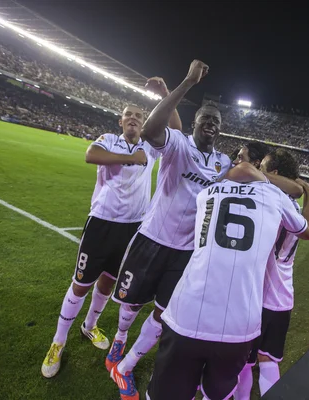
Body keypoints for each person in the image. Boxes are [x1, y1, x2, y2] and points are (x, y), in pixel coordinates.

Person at [108, 61, 233, 397]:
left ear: (221, 129)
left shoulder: (224, 163)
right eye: (206, 119)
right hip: (152, 239)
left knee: (164, 313)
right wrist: (187, 83)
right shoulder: (178, 144)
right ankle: (118, 343)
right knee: (131, 305)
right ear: (194, 122)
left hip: (186, 252)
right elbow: (150, 132)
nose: (211, 124)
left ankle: (126, 365)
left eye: (216, 121)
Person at [147, 162, 309, 400]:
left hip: (188, 313)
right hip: (241, 322)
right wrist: (301, 189)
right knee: (221, 391)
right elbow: (307, 230)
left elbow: (244, 168)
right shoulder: (277, 198)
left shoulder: (208, 192)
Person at [41, 94, 181, 378]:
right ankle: (58, 341)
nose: (133, 119)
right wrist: (132, 158)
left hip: (133, 228)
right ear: (120, 121)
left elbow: (176, 131)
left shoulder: (151, 147)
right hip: (102, 222)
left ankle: (89, 326)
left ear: (144, 123)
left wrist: (168, 92)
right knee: (81, 283)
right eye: (128, 115)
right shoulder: (109, 139)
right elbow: (90, 155)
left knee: (108, 281)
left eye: (139, 116)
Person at [235, 149, 309, 399]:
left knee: (244, 363)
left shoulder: (268, 200)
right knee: (269, 361)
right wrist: (308, 194)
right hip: (282, 298)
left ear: (275, 174)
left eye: (266, 168)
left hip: (257, 295)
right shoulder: (294, 209)